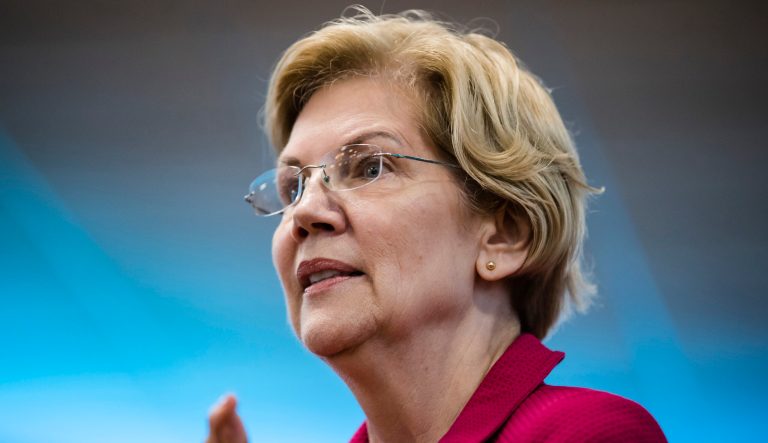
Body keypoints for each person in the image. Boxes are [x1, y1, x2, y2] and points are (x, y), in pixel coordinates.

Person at [207, 7, 667, 443]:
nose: (304, 212)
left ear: (504, 235)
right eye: (292, 187)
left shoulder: (588, 433)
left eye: (369, 168)